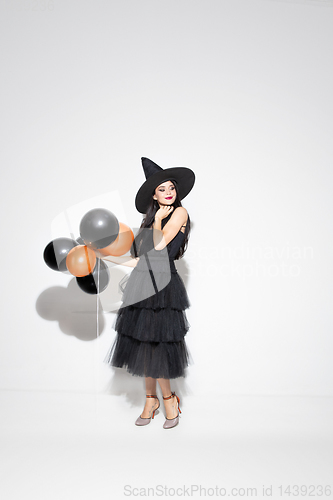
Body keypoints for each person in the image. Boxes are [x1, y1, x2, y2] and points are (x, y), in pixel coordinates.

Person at [100, 157, 195, 429]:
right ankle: (150, 400)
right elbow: (140, 259)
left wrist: (157, 223)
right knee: (143, 344)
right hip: (143, 282)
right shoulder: (152, 218)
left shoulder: (179, 213)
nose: (168, 192)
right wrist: (104, 257)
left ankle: (169, 401)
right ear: (153, 195)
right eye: (162, 189)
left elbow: (160, 245)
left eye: (171, 188)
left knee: (159, 346)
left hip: (164, 286)